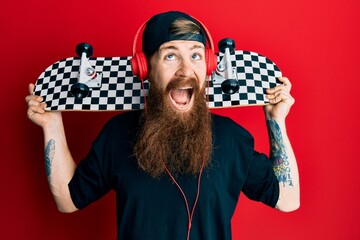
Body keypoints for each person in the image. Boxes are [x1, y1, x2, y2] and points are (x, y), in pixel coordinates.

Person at [25, 11, 299, 240]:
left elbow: (288, 200)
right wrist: (51, 124)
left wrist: (276, 120)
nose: (185, 70)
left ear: (208, 66)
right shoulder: (118, 134)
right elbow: (68, 200)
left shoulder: (233, 138)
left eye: (195, 56)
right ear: (145, 67)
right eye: (170, 56)